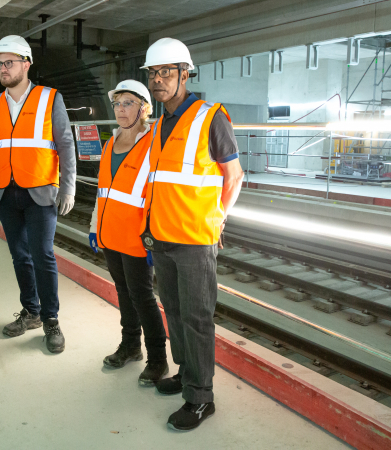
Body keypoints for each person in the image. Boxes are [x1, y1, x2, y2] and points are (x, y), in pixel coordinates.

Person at [139, 37, 244, 431]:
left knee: (197, 317)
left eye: (167, 72)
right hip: (163, 237)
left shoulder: (210, 117)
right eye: (153, 73)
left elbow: (233, 177)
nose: (158, 79)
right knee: (176, 311)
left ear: (185, 74)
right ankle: (185, 374)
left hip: (195, 240)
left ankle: (201, 397)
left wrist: (216, 220)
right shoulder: (160, 122)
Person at [0, 35, 76, 354]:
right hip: (7, 192)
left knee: (43, 255)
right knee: (19, 255)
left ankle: (51, 320)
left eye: (9, 62)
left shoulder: (50, 98)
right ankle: (31, 311)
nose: (3, 69)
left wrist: (68, 186)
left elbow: (65, 144)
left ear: (26, 64)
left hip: (41, 192)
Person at [88, 80, 168, 385]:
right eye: (118, 104)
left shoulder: (153, 144)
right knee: (124, 293)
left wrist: (153, 236)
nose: (121, 110)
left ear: (144, 108)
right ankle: (131, 345)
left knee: (143, 297)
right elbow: (103, 190)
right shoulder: (110, 142)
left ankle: (158, 359)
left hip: (137, 237)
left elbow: (157, 193)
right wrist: (96, 226)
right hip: (111, 235)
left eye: (129, 103)